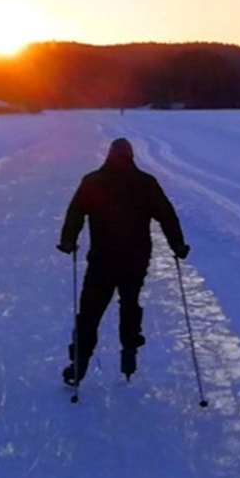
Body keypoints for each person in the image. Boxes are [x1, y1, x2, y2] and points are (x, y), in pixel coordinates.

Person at [57, 137, 188, 385]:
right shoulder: (145, 183)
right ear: (131, 157)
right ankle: (129, 351)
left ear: (109, 155)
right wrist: (177, 245)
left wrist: (68, 240)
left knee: (90, 312)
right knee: (130, 303)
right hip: (136, 258)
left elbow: (75, 212)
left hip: (102, 259)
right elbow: (166, 215)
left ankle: (79, 362)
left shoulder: (94, 181)